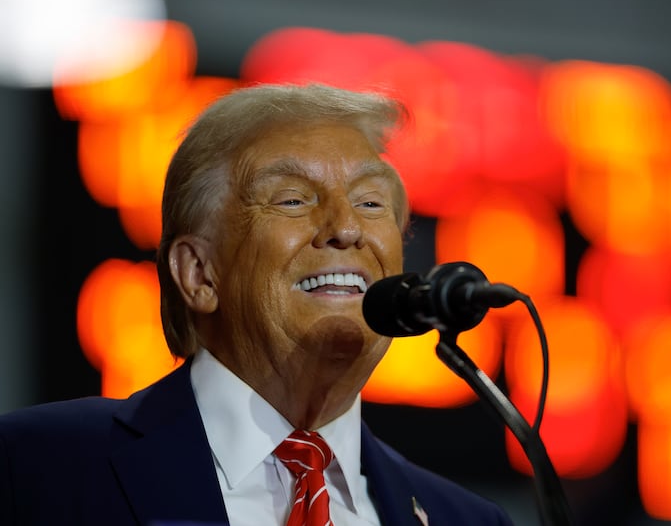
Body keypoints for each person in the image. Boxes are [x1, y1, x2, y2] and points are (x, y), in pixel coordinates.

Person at [0, 83, 514, 525]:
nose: (347, 228)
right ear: (199, 273)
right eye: (292, 199)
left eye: (371, 203)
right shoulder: (37, 466)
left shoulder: (464, 519)